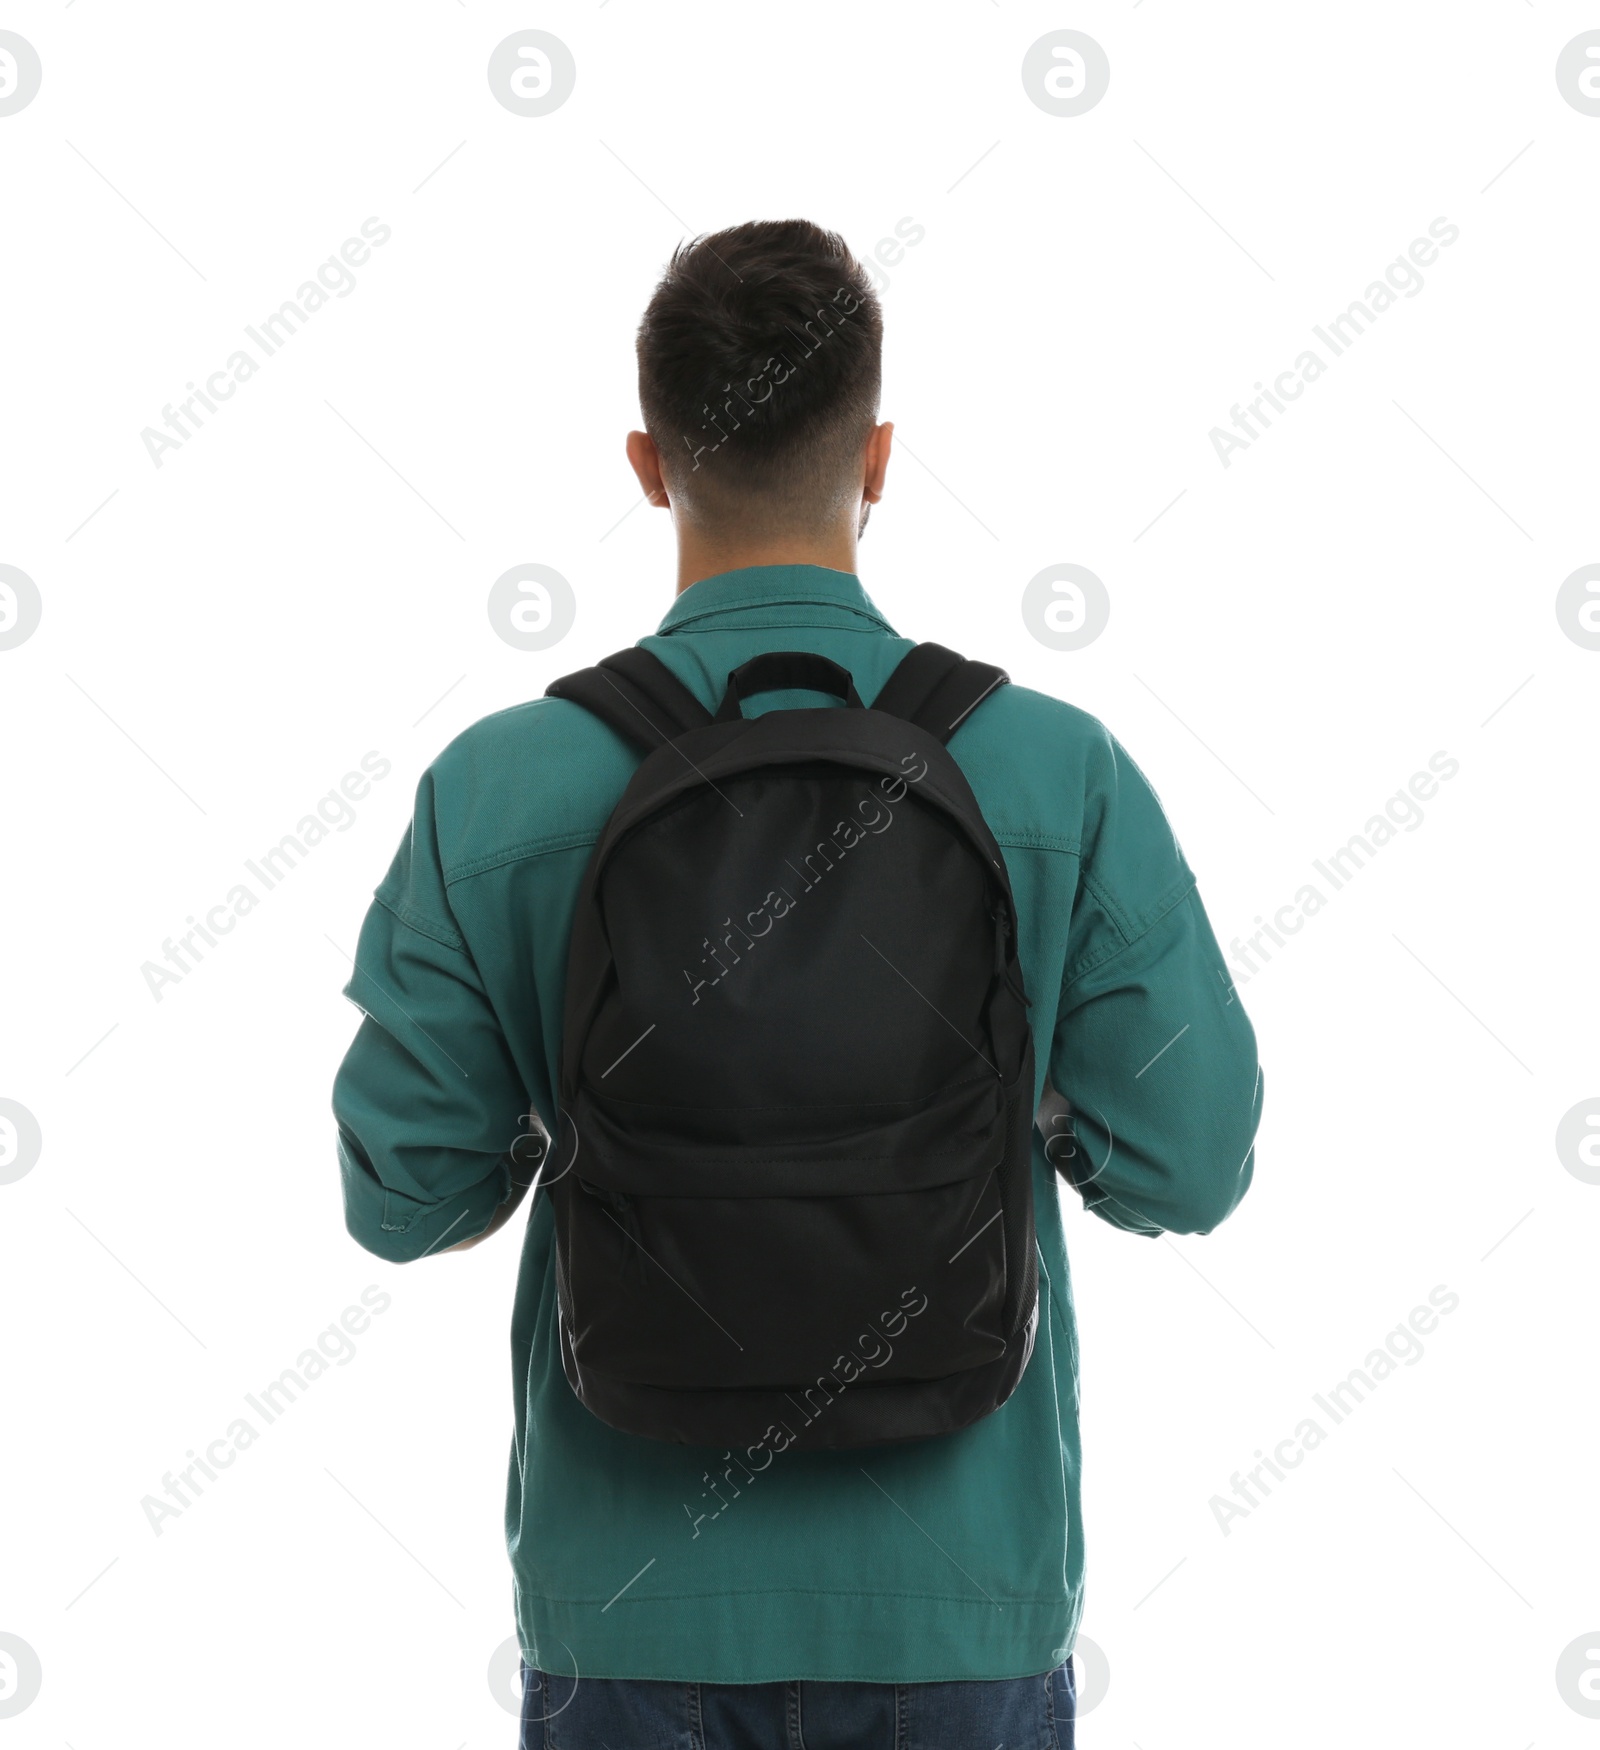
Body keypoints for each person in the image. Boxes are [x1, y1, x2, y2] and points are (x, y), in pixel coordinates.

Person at [333, 218, 1263, 1750]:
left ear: (645, 462)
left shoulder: (499, 788)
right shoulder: (1053, 770)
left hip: (628, 1601)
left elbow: (400, 1196)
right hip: (960, 1597)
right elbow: (1194, 1162)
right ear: (881, 455)